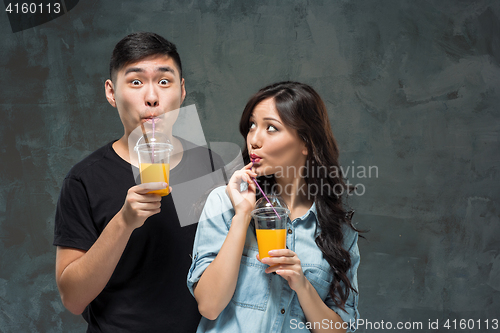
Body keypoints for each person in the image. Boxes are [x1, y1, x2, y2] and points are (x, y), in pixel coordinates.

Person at [54, 32, 224, 332]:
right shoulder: (85, 180)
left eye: (164, 81)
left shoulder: (210, 165)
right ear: (111, 92)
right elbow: (73, 299)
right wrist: (124, 221)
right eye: (135, 82)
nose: (152, 97)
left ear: (182, 90)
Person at [187, 81, 360, 333]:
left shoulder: (338, 231)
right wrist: (243, 215)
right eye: (252, 126)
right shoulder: (225, 202)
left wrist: (302, 285)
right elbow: (209, 306)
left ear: (306, 143)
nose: (254, 140)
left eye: (271, 128)